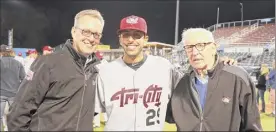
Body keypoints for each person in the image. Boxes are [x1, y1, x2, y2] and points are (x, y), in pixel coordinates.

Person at [95, 16, 235, 131]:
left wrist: (215, 62)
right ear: (120, 38)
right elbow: (88, 112)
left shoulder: (164, 67)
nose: (131, 40)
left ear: (145, 39)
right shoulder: (105, 72)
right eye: (126, 35)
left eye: (137, 35)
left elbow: (193, 83)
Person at [7, 9, 105, 131]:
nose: (91, 38)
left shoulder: (93, 70)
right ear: (74, 32)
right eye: (86, 32)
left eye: (96, 34)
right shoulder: (48, 63)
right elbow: (18, 113)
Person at [166, 28, 262, 131]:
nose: (194, 52)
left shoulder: (238, 78)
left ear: (213, 48)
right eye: (189, 47)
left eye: (200, 46)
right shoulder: (182, 83)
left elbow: (252, 126)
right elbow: (169, 115)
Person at [0, 45, 25, 130]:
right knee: (14, 116)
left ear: (1, 53)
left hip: (1, 93)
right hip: (14, 93)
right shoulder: (18, 63)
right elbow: (24, 79)